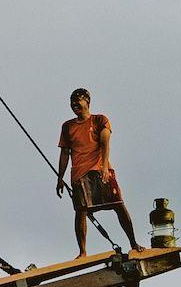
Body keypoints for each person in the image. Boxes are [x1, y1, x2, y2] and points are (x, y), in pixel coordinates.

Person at [56, 88, 140, 257]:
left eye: (78, 100)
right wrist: (60, 178)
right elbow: (64, 153)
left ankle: (133, 243)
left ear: (87, 101)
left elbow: (105, 143)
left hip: (100, 169)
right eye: (71, 101)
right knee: (81, 211)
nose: (74, 104)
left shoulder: (100, 120)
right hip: (79, 173)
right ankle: (82, 252)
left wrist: (104, 167)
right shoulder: (67, 126)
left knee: (118, 204)